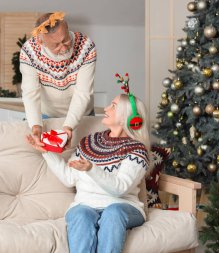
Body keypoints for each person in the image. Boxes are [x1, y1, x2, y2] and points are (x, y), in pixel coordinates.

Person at [26, 84, 150, 253]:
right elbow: (69, 178)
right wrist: (47, 152)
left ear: (125, 117)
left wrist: (92, 168)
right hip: (86, 205)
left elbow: (119, 189)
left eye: (113, 106)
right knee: (80, 214)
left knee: (113, 213)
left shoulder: (136, 149)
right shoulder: (89, 142)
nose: (106, 108)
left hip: (123, 207)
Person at [20, 12, 97, 148]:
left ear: (67, 28)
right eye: (56, 45)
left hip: (82, 115)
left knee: (86, 154)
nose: (64, 47)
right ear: (41, 42)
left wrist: (69, 126)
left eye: (65, 39)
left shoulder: (86, 46)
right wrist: (36, 126)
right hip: (47, 116)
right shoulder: (29, 51)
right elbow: (30, 92)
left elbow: (83, 93)